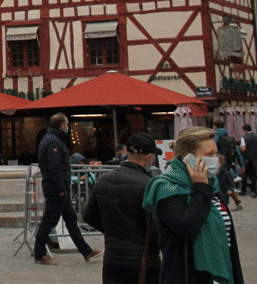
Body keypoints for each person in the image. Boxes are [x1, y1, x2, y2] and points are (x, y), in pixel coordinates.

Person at [143, 127, 245, 284]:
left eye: (215, 153)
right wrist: (201, 189)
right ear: (188, 157)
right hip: (188, 277)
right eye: (208, 154)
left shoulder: (213, 185)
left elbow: (229, 243)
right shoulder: (167, 188)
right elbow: (186, 226)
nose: (215, 159)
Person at [83, 133, 162, 284]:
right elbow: (154, 229)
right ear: (149, 157)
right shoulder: (149, 185)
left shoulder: (103, 180)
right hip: (144, 260)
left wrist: (112, 230)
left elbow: (89, 216)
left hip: (113, 259)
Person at [33, 113, 102, 265]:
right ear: (62, 125)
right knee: (49, 221)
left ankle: (86, 251)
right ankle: (39, 253)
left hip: (58, 188)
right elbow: (55, 168)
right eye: (67, 124)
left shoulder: (50, 139)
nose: (68, 127)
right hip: (56, 189)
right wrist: (61, 189)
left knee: (71, 220)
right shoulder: (54, 142)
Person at [239, 124, 257, 197]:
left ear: (245, 130)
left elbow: (243, 148)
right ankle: (254, 190)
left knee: (244, 175)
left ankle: (243, 190)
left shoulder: (244, 137)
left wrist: (240, 150)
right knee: (253, 175)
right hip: (255, 159)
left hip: (246, 159)